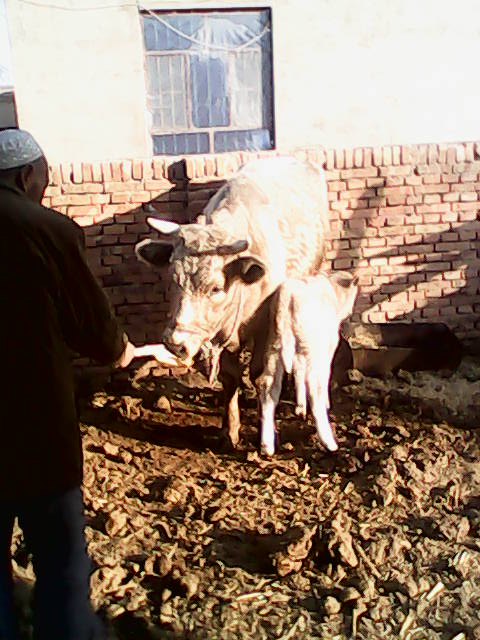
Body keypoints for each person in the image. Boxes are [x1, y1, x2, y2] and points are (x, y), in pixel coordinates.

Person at [0, 129, 135, 640]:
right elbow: (93, 326)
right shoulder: (47, 230)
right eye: (45, 178)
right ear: (26, 176)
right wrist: (121, 350)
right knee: (60, 560)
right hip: (36, 427)